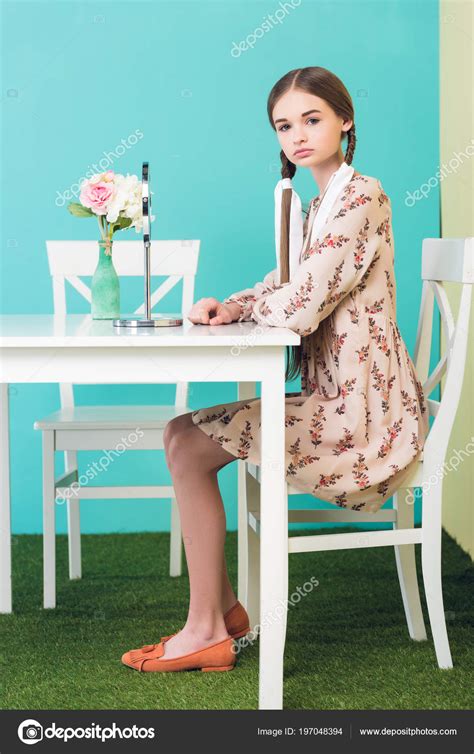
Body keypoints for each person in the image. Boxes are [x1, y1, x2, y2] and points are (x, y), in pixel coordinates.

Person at [121, 66, 429, 674]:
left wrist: (258, 303)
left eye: (311, 119)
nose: (297, 135)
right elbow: (283, 281)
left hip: (366, 420)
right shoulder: (320, 205)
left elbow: (303, 303)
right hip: (333, 398)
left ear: (345, 120)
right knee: (182, 435)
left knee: (187, 444)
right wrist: (233, 305)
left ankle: (208, 627)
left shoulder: (362, 196)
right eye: (284, 126)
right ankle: (220, 612)